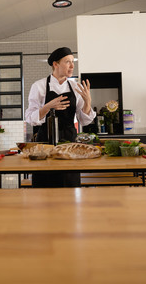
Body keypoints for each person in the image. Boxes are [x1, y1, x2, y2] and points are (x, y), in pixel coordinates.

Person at [25, 47, 96, 187]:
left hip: (69, 143)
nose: (72, 65)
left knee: (69, 184)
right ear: (55, 64)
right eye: (67, 62)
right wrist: (47, 107)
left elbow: (84, 119)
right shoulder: (39, 86)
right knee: (44, 185)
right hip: (45, 142)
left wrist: (88, 102)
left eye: (73, 62)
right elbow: (29, 118)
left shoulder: (76, 87)